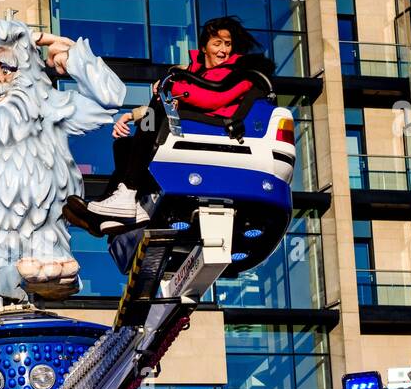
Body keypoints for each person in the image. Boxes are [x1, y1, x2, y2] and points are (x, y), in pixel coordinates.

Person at [63, 16, 265, 237]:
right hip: (191, 127)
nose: (223, 50)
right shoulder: (195, 74)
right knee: (124, 145)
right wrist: (131, 115)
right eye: (217, 43)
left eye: (227, 44)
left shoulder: (239, 72)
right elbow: (185, 99)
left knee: (157, 111)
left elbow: (212, 99)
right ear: (204, 47)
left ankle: (127, 192)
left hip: (215, 130)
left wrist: (171, 88)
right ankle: (107, 209)